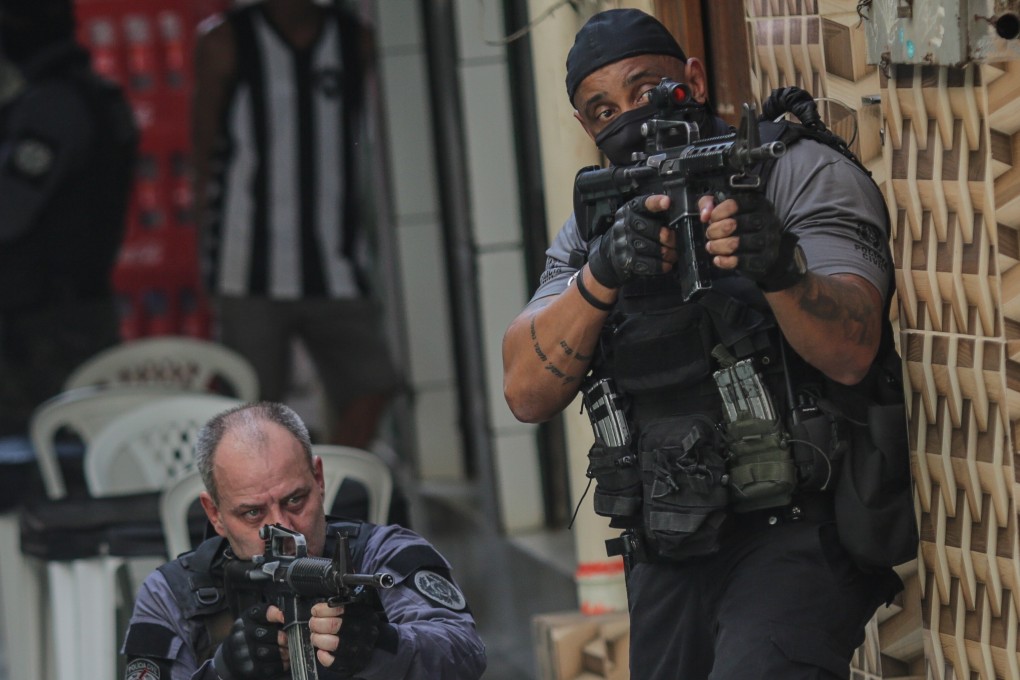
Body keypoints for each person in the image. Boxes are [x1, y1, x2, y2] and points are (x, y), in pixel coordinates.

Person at [502, 9, 909, 679]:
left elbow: (852, 347)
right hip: (670, 535)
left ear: (693, 77)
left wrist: (778, 268)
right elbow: (524, 390)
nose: (630, 118)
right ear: (585, 127)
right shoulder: (596, 219)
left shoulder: (790, 171)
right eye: (604, 110)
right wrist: (602, 272)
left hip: (800, 526)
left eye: (647, 91)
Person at [121, 401, 486, 680]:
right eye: (253, 513)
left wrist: (381, 646)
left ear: (319, 479)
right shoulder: (172, 592)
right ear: (214, 513)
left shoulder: (383, 553)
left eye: (294, 500)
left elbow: (465, 652)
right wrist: (224, 670)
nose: (281, 526)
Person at [191, 0, 400, 449]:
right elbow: (203, 150)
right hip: (246, 259)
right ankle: (266, 504)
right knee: (248, 409)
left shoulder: (353, 39)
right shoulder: (226, 41)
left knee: (374, 382)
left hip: (335, 256)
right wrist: (203, 251)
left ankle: (328, 492)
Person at [0, 0, 137, 500]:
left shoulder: (55, 104)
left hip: (44, 330)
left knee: (42, 476)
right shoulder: (91, 95)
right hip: (70, 313)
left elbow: (9, 213)